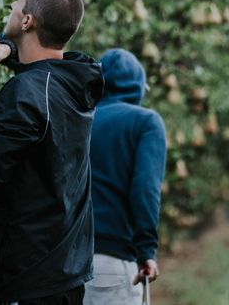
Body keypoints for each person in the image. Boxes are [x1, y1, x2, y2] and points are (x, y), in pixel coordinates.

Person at [0, 0, 105, 305]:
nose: (11, 6)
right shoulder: (78, 80)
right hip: (65, 268)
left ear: (27, 21)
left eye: (17, 2)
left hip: (26, 279)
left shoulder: (25, 94)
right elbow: (48, 61)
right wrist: (7, 50)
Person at [83, 49, 167, 305]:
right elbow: (145, 189)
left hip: (61, 264)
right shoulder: (144, 123)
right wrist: (146, 251)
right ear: (139, 88)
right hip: (111, 262)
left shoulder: (79, 119)